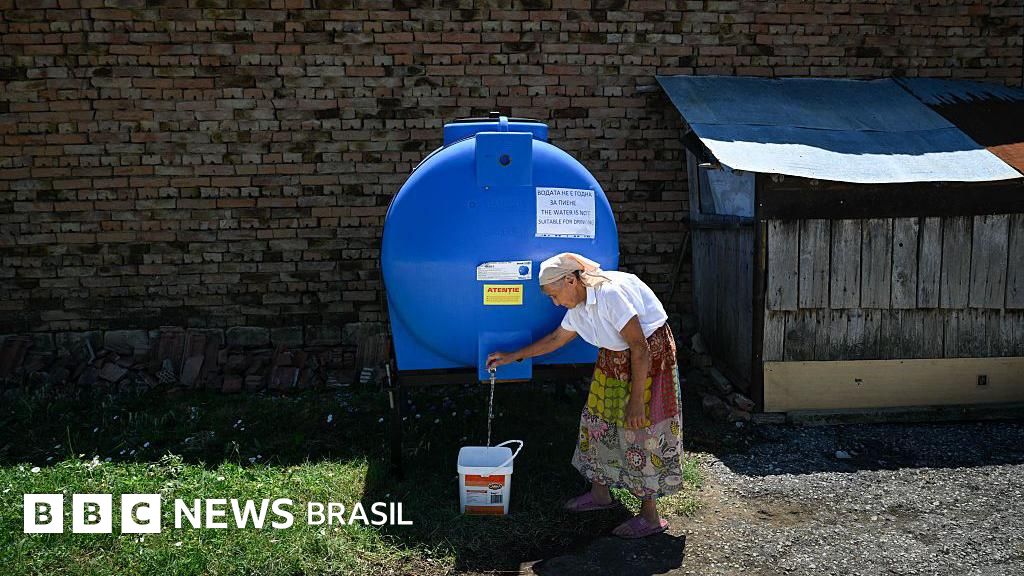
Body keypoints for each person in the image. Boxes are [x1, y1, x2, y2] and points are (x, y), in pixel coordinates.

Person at [486, 252, 684, 539]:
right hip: (614, 357)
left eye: (555, 295)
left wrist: (637, 401)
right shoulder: (579, 304)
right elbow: (556, 339)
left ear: (570, 280)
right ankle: (600, 494)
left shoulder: (610, 294)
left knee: (642, 431)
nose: (555, 303)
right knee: (597, 422)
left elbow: (640, 348)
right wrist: (511, 356)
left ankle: (650, 516)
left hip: (649, 358)